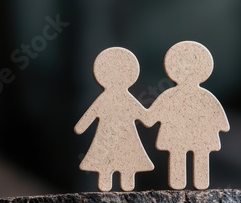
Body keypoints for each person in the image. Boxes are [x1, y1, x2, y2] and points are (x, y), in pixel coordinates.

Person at [147, 41, 230, 190]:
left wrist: (147, 117)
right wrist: (222, 126)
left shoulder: (175, 95)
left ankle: (197, 181)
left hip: (192, 135)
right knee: (185, 154)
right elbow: (153, 115)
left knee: (196, 154)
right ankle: (186, 181)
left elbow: (151, 117)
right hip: (186, 135)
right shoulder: (198, 96)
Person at [74, 47, 154, 191]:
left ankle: (124, 183)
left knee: (125, 160)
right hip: (111, 136)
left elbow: (144, 117)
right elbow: (146, 119)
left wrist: (81, 127)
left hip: (121, 136)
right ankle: (110, 183)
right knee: (109, 161)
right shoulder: (110, 98)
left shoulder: (123, 99)